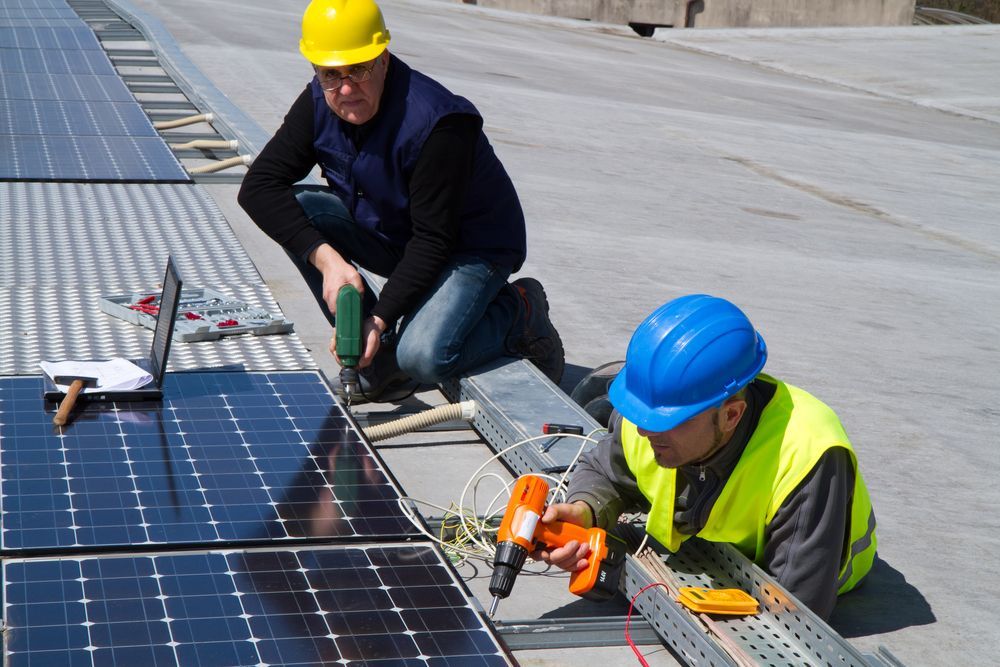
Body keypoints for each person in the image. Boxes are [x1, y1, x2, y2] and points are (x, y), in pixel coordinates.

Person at [238, 0, 563, 398]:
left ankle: (521, 313)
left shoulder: (438, 123)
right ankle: (380, 355)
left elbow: (434, 241)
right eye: (330, 74)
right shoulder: (319, 100)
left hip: (468, 249)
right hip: (395, 234)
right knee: (301, 212)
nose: (344, 88)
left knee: (423, 358)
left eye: (358, 70)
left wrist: (379, 318)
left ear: (384, 57)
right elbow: (258, 187)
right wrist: (328, 262)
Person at [537, 294, 877, 620]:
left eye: (668, 422)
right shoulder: (651, 413)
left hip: (797, 578)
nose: (644, 432)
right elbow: (604, 469)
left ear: (731, 415)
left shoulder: (807, 453)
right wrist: (585, 511)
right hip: (708, 551)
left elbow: (794, 611)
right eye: (643, 417)